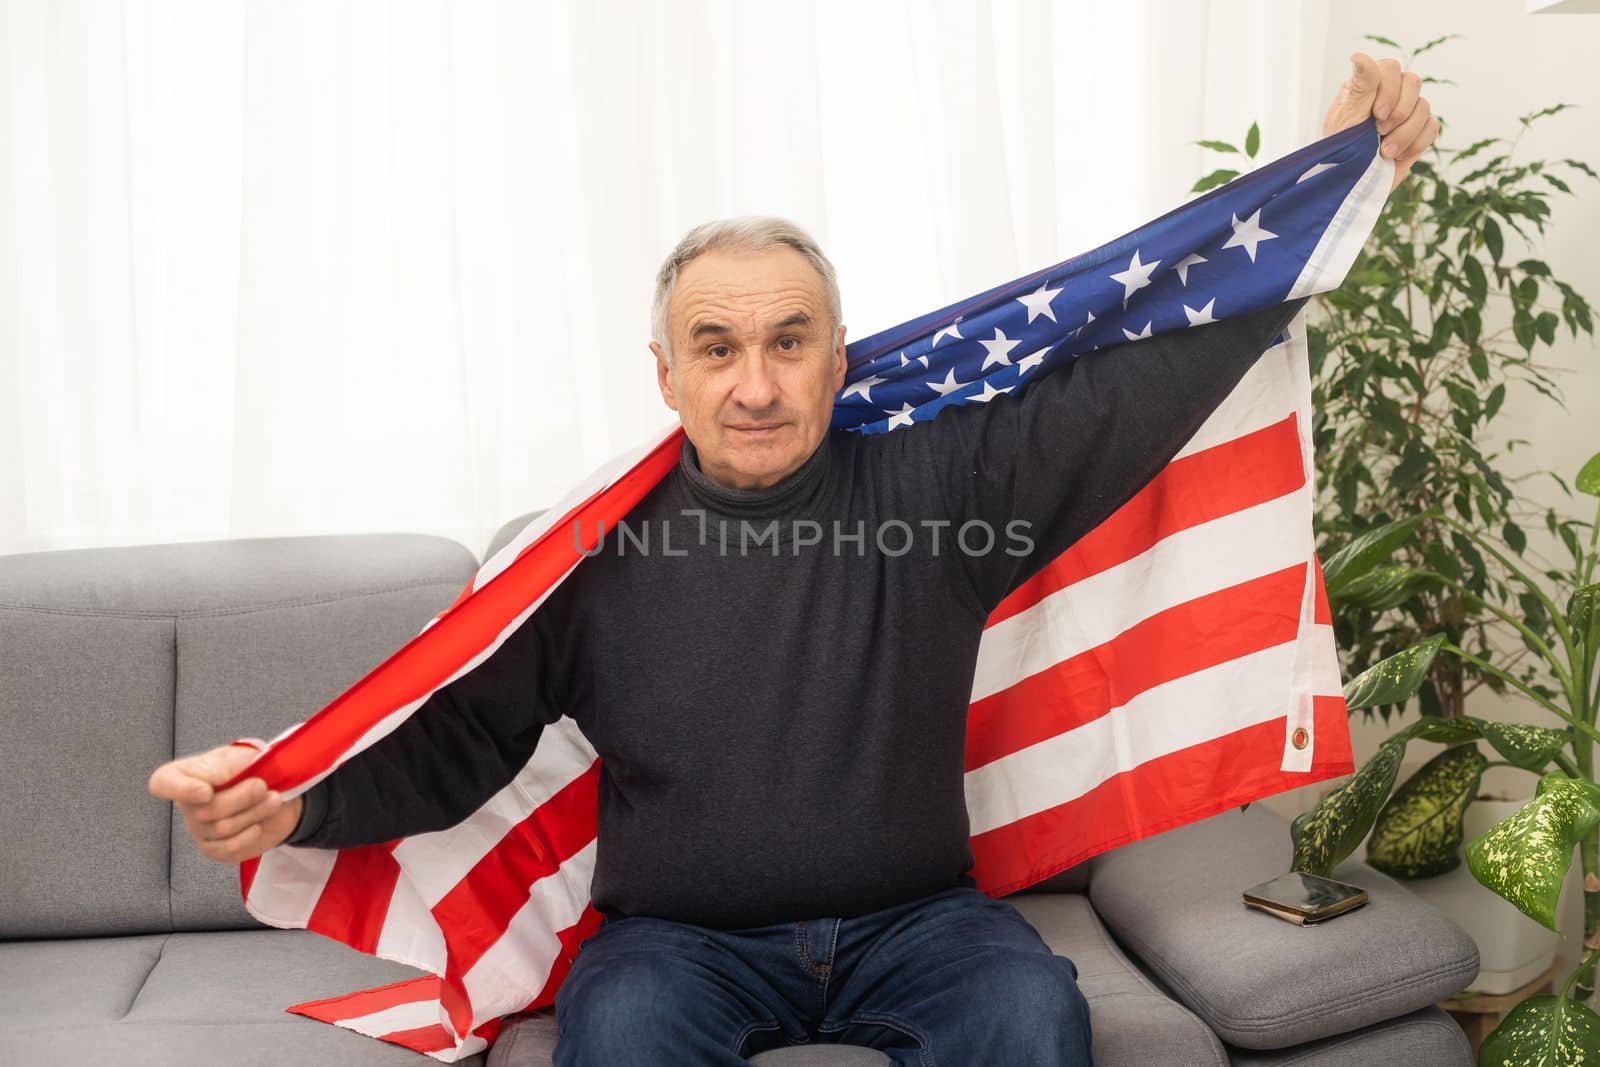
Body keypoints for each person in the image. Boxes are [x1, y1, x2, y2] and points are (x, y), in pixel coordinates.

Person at [148, 52, 1437, 1066]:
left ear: (838, 353)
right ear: (667, 374)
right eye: (717, 347)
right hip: (677, 946)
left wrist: (1337, 181)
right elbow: (455, 744)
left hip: (922, 929)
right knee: (622, 1038)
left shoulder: (941, 493)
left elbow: (1146, 375)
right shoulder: (590, 558)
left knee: (1035, 1021)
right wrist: (295, 798)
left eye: (790, 342)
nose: (756, 384)